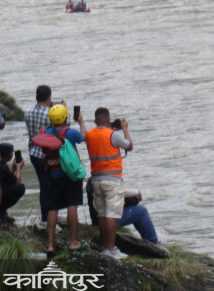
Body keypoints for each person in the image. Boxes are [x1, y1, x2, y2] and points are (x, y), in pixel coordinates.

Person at [85, 107, 133, 259]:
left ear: (95, 121)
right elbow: (129, 146)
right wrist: (125, 129)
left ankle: (106, 246)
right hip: (112, 180)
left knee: (101, 214)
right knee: (111, 214)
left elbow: (88, 137)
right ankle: (111, 249)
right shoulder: (113, 134)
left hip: (96, 180)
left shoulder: (90, 134)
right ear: (108, 120)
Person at [42, 103, 87, 255]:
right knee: (71, 205)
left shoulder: (45, 132)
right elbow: (83, 137)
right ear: (65, 117)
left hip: (52, 174)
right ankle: (73, 242)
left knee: (52, 207)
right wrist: (80, 122)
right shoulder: (70, 133)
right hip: (69, 175)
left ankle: (50, 245)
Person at [86, 180, 159, 245]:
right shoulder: (107, 179)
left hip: (96, 219)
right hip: (108, 220)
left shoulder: (92, 180)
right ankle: (153, 243)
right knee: (141, 211)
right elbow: (117, 192)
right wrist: (137, 192)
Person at [25, 85, 56, 229]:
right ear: (49, 98)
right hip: (46, 155)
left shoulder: (27, 113)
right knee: (47, 188)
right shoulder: (51, 114)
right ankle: (46, 220)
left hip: (33, 153)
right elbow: (61, 128)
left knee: (44, 186)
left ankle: (47, 217)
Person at [0, 143, 26, 224]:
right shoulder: (1, 166)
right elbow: (17, 182)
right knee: (20, 188)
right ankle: (1, 211)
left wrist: (13, 168)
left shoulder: (2, 164)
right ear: (11, 155)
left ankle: (2, 213)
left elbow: (7, 177)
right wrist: (18, 168)